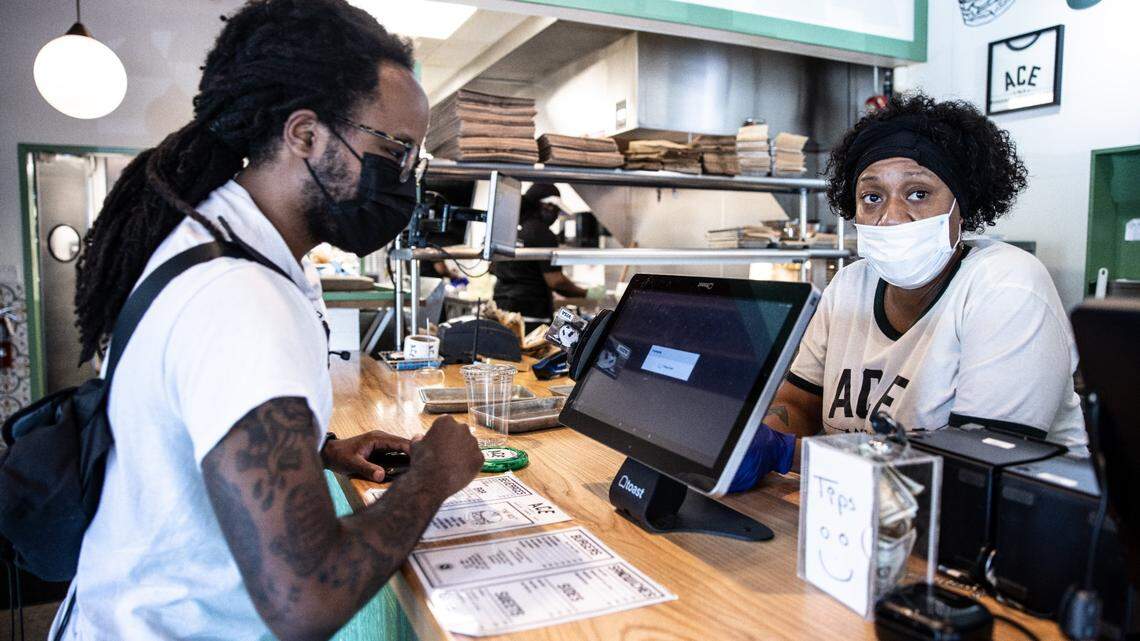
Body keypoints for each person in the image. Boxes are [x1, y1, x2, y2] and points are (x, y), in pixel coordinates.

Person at [59, 1, 483, 639]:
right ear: (305, 135)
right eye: (396, 152)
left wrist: (323, 451)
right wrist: (431, 480)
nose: (406, 181)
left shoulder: (219, 239)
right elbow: (304, 599)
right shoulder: (239, 297)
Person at [730, 93, 1086, 491]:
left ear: (961, 206)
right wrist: (757, 440)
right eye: (872, 197)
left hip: (1015, 534)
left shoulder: (1008, 287)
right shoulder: (849, 286)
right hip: (858, 505)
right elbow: (799, 403)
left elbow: (974, 472)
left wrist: (788, 455)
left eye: (918, 193)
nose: (892, 217)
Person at [493, 183, 604, 331]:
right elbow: (556, 282)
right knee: (531, 352)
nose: (556, 215)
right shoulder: (542, 233)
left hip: (502, 310)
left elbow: (492, 267)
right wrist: (588, 293)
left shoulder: (510, 229)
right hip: (531, 316)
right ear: (547, 206)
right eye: (556, 210)